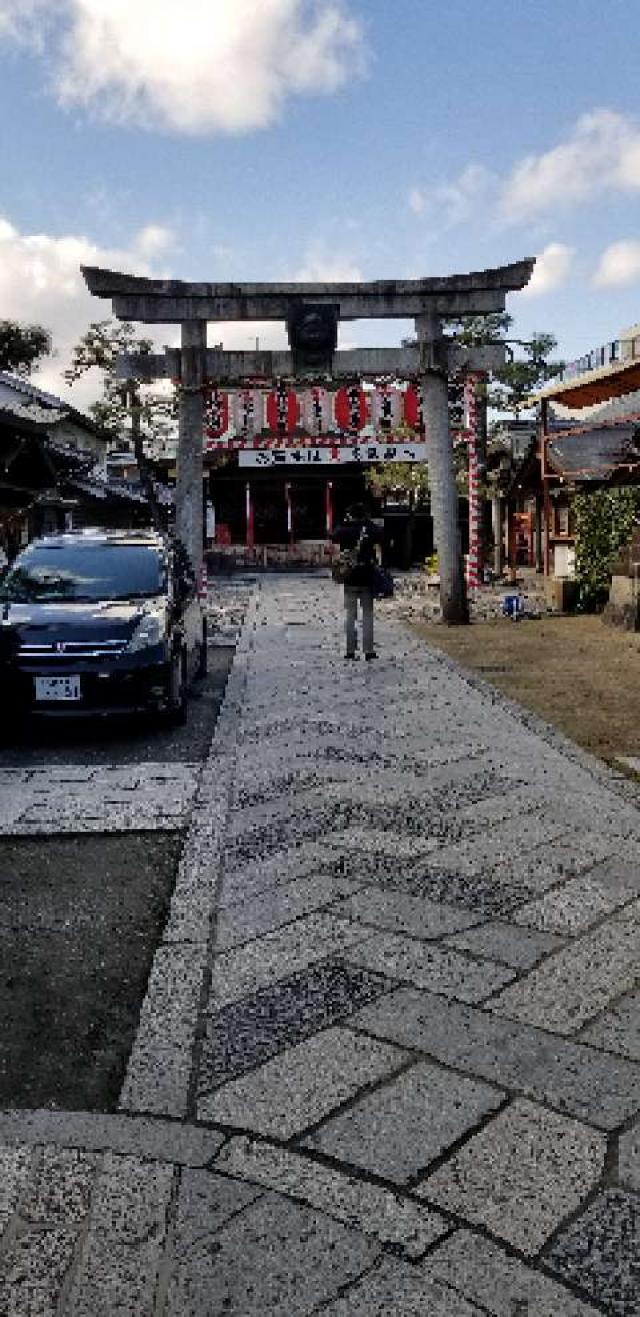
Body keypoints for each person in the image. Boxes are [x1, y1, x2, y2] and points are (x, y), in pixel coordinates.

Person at [331, 502, 382, 660]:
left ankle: (350, 650)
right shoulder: (371, 528)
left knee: (350, 615)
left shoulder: (344, 529)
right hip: (367, 574)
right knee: (367, 614)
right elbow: (382, 538)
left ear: (350, 514)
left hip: (349, 575)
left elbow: (333, 538)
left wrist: (346, 522)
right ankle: (368, 650)